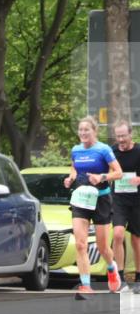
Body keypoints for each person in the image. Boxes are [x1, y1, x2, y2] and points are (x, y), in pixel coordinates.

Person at [64, 116, 123, 298]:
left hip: (101, 199)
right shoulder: (76, 150)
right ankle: (86, 286)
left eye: (86, 130)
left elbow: (118, 173)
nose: (83, 133)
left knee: (102, 246)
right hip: (81, 199)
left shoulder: (103, 149)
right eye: (80, 130)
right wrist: (71, 177)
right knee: (81, 244)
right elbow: (74, 168)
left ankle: (112, 268)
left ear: (94, 131)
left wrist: (101, 177)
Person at [110, 120, 138, 292]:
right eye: (118, 136)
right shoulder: (112, 152)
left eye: (123, 136)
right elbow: (106, 171)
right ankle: (119, 277)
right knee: (118, 234)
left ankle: (138, 278)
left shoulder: (139, 150)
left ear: (130, 134)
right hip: (119, 199)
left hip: (137, 200)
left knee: (136, 240)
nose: (120, 139)